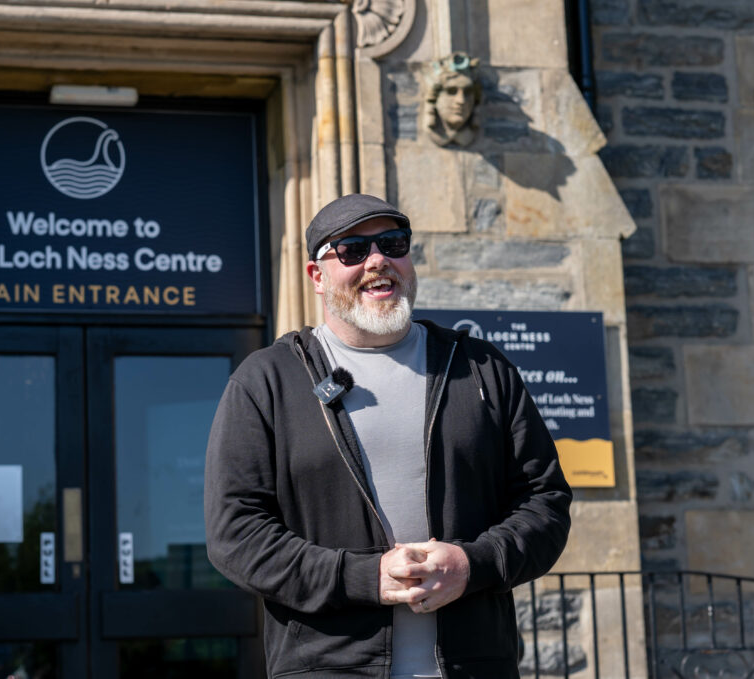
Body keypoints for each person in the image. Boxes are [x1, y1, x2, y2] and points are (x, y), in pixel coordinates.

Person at [204, 193, 572, 679]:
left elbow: (544, 502)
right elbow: (236, 535)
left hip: (474, 666)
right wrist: (364, 578)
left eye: (392, 243)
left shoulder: (482, 368)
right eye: (353, 249)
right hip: (329, 668)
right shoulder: (267, 381)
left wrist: (471, 564)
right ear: (317, 276)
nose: (378, 260)